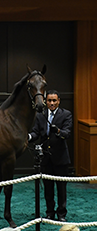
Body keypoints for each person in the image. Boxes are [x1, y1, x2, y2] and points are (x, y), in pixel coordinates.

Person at [29, 90, 72, 222]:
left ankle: (61, 214)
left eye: (54, 100)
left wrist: (58, 131)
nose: (51, 103)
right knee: (48, 188)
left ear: (59, 101)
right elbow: (36, 132)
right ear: (45, 101)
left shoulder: (66, 114)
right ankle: (49, 213)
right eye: (49, 101)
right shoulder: (40, 115)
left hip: (60, 158)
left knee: (61, 188)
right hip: (46, 158)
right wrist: (29, 137)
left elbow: (67, 133)